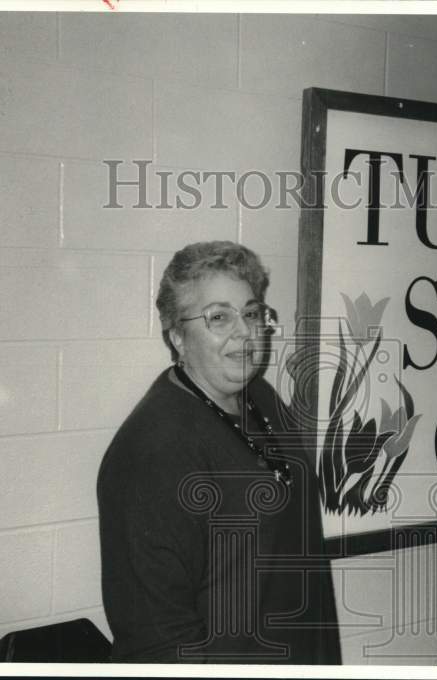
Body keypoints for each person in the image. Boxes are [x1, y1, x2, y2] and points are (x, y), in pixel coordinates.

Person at [96, 240, 342, 663]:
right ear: (177, 336)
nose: (244, 332)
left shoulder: (260, 399)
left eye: (250, 313)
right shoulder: (154, 449)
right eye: (219, 317)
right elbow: (155, 636)